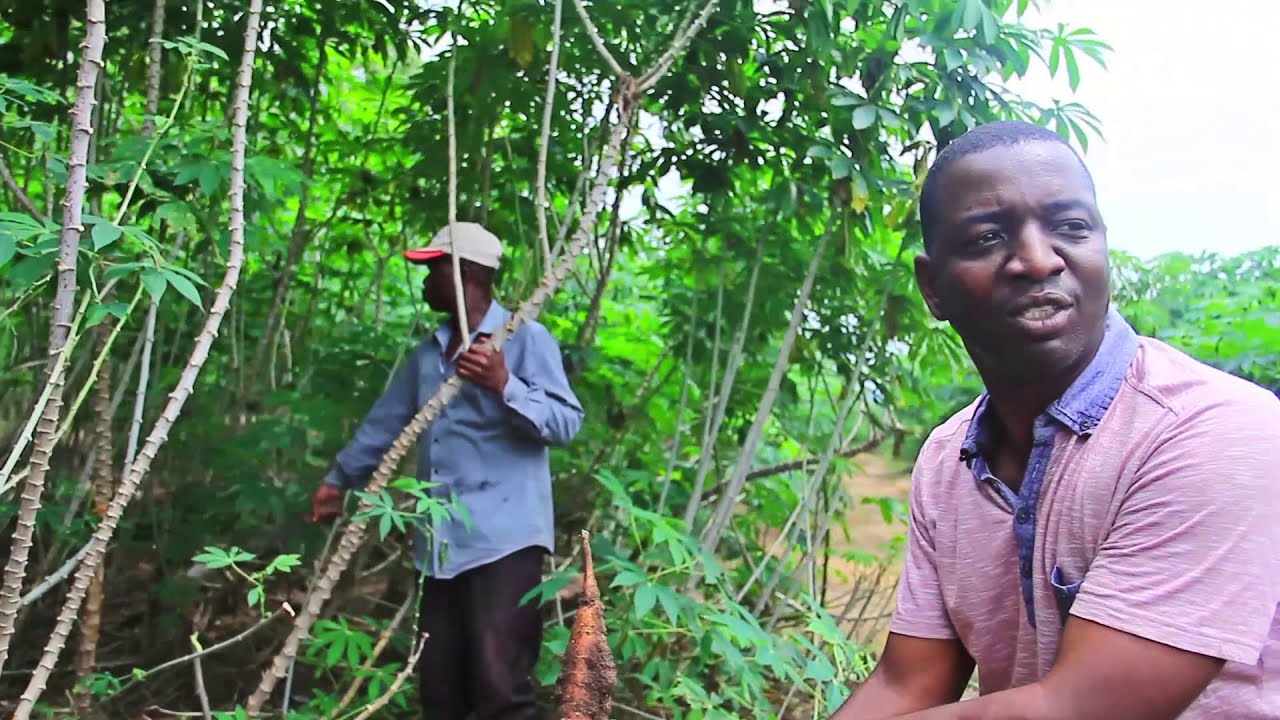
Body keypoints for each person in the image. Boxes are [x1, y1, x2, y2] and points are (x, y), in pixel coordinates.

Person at [831, 120, 1280, 719]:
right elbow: (907, 683)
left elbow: (1079, 710)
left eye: (1071, 228)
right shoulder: (948, 460)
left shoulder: (1214, 431)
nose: (1038, 261)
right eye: (988, 237)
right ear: (933, 288)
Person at [311, 221, 584, 720]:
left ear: (466, 274)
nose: (424, 282)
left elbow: (566, 422)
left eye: (433, 269)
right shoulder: (427, 355)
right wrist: (338, 479)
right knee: (440, 688)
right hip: (440, 543)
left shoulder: (525, 339)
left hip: (504, 541)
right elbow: (385, 423)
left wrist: (505, 384)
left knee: (502, 688)